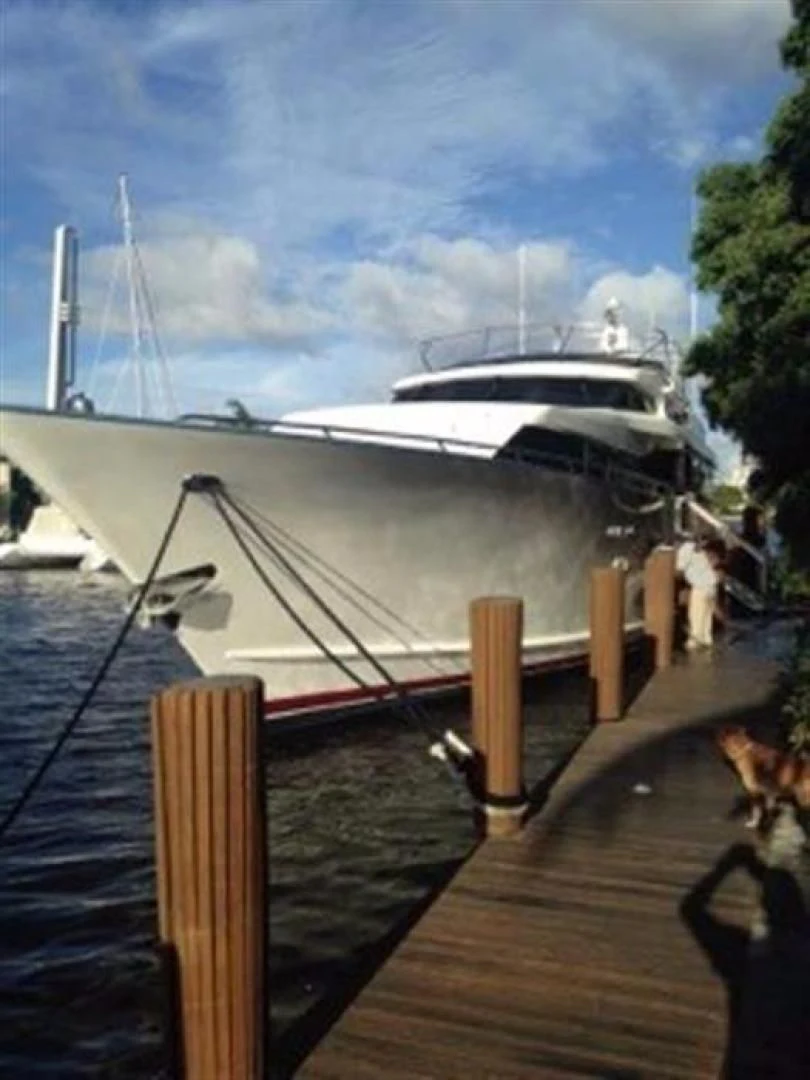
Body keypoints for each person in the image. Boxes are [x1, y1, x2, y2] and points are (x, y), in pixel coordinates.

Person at [683, 539, 725, 649]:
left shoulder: (698, 555)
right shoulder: (713, 555)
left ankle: (695, 641)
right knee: (706, 615)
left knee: (696, 614)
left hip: (700, 587)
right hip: (710, 586)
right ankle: (706, 638)